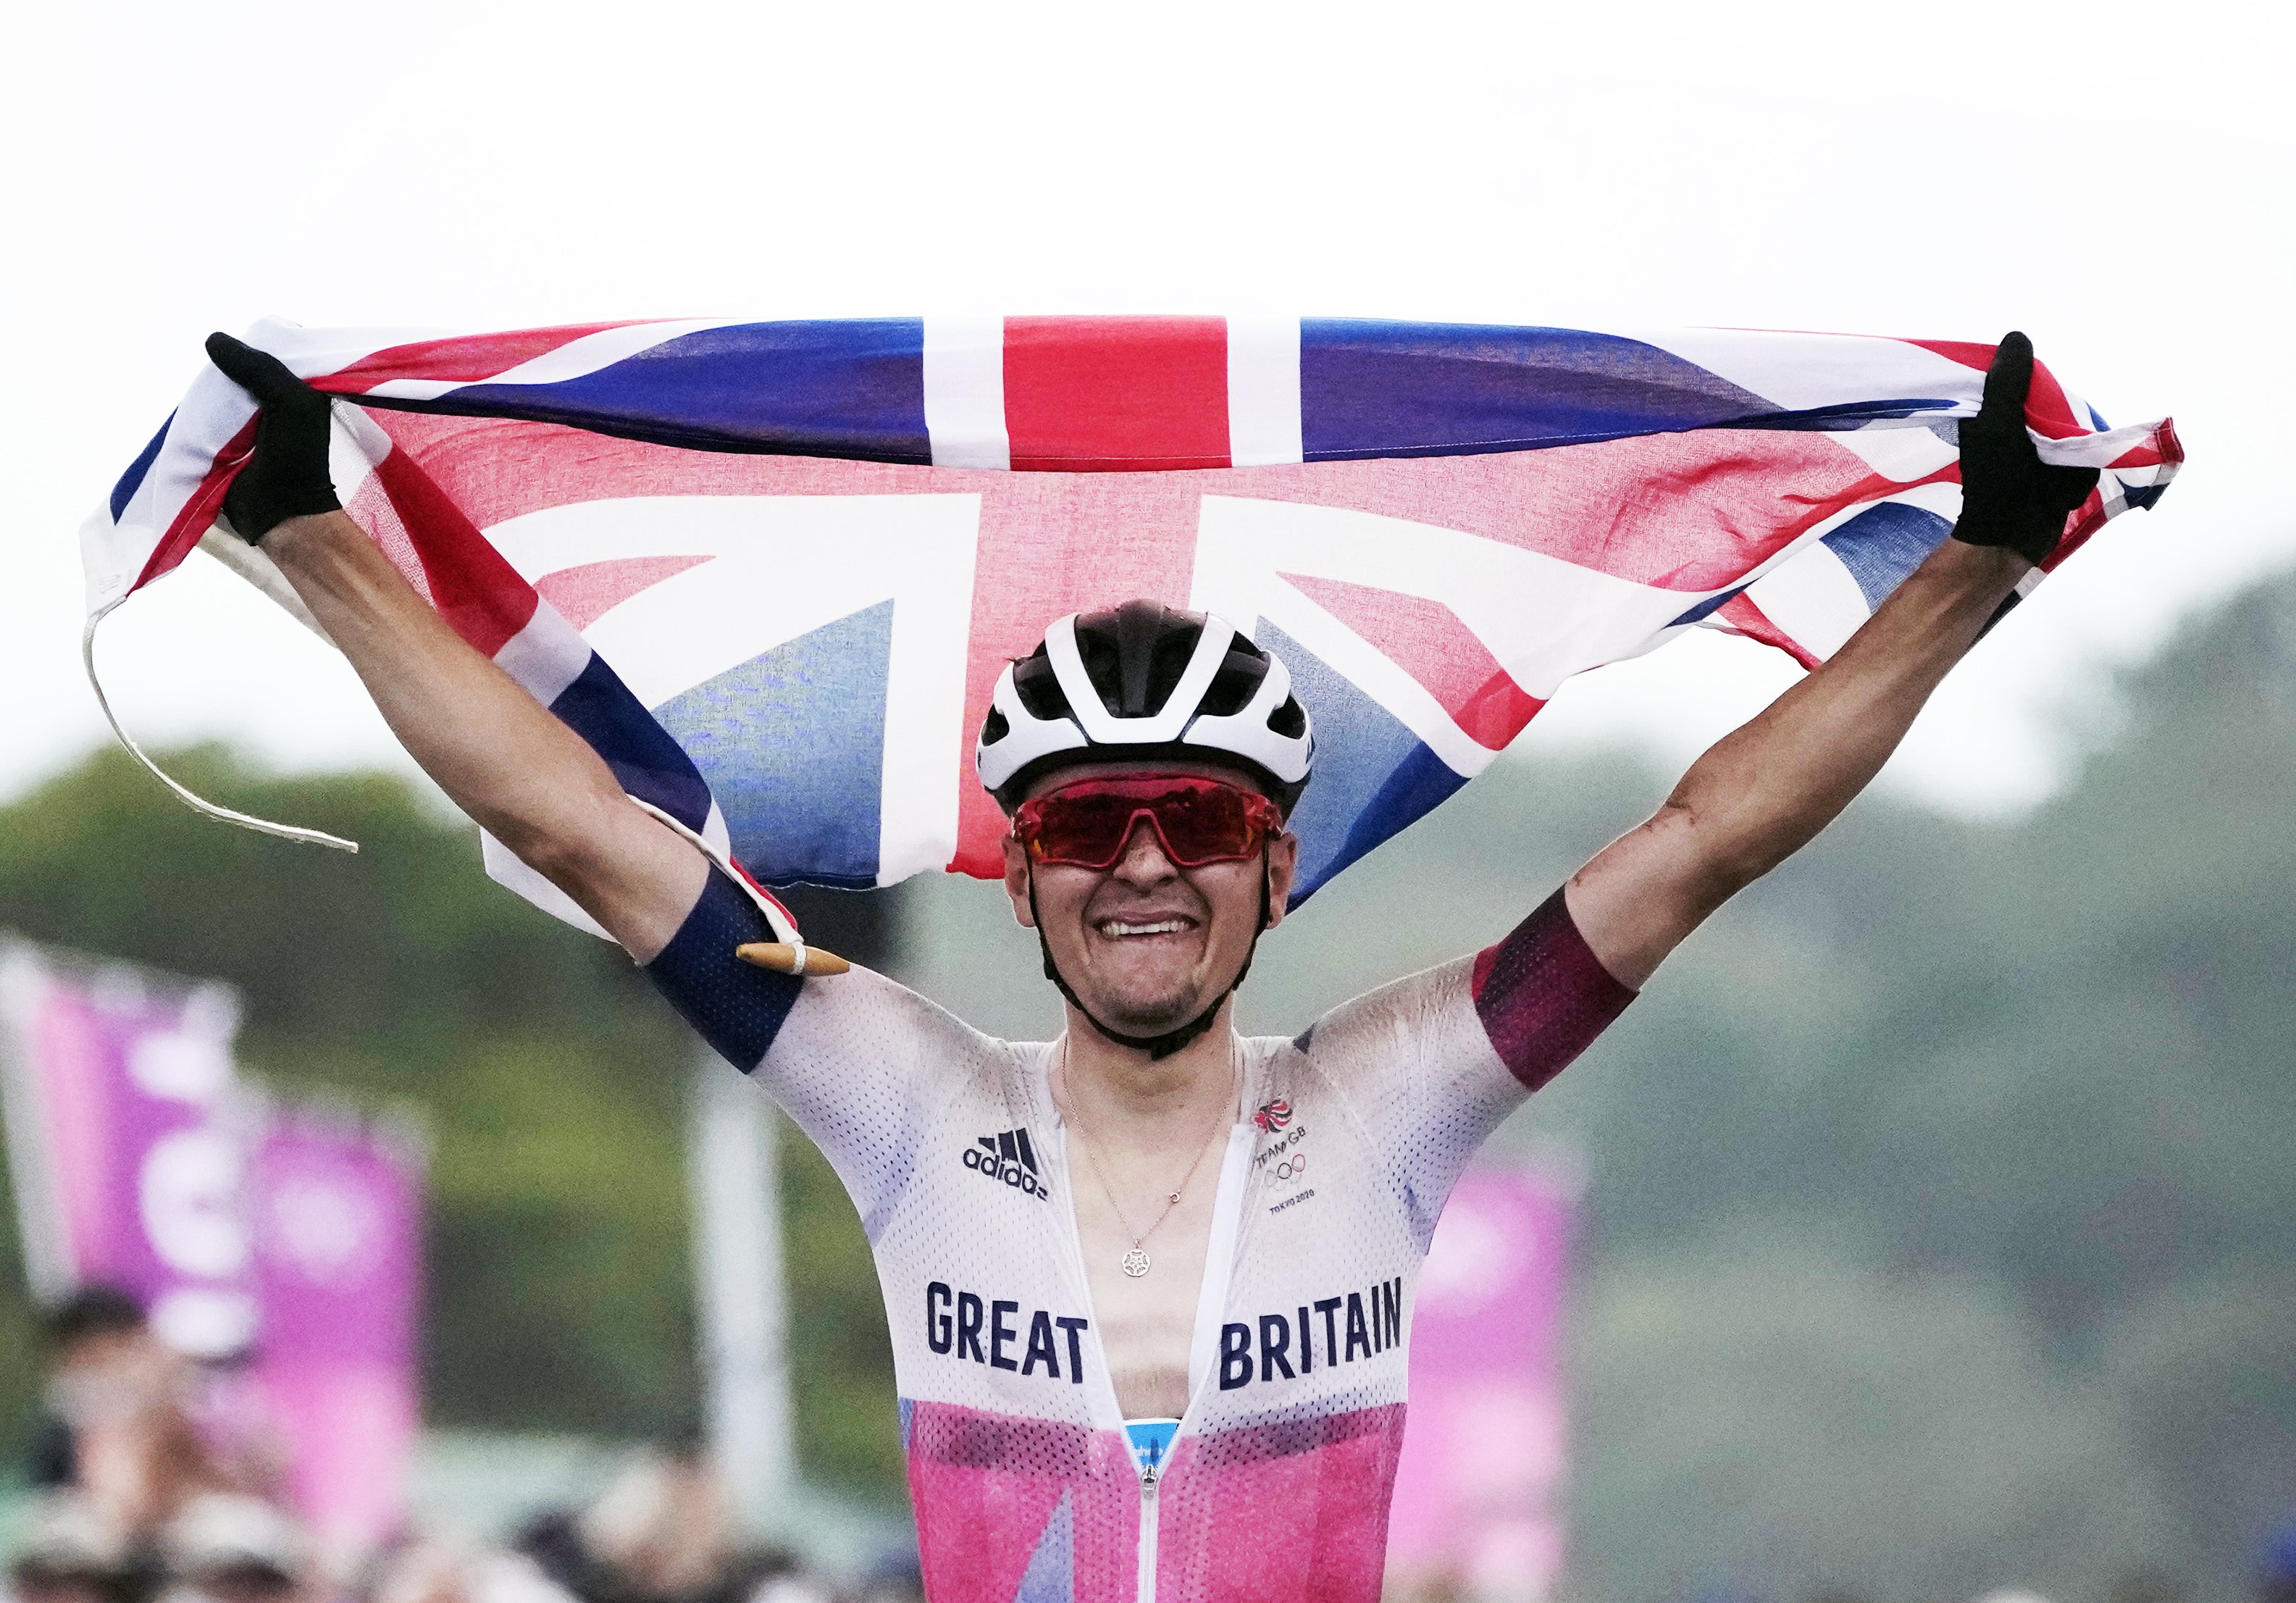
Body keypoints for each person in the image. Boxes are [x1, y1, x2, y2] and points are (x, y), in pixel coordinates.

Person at [201, 328, 2096, 1603]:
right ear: (1018, 883)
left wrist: (1973, 565)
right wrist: (310, 529)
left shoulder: (1389, 1098)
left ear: (1271, 868)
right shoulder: (908, 1098)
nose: (1138, 868)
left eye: (1191, 826)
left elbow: (1697, 844)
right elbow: (575, 830)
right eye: (1083, 830)